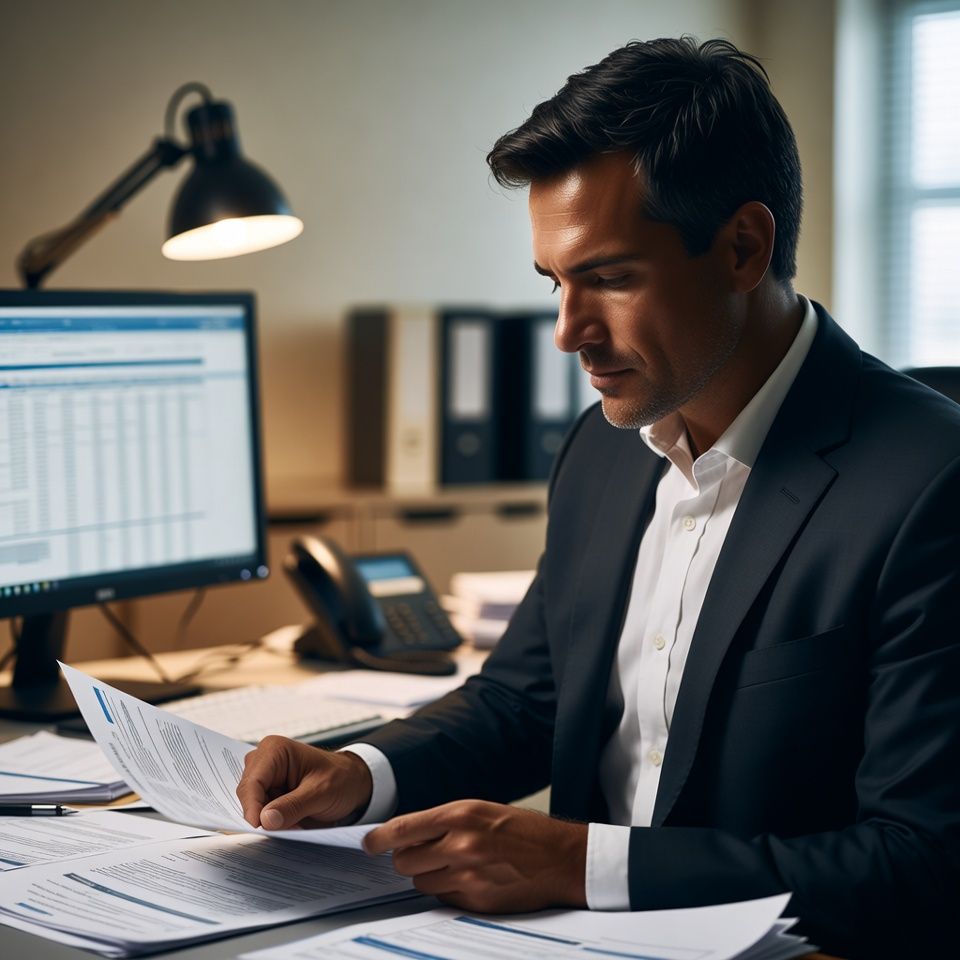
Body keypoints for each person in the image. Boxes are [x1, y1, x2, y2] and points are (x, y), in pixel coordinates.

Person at [237, 37, 960, 957]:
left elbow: (922, 864)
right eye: (555, 283)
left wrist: (586, 866)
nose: (568, 333)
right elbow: (528, 700)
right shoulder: (605, 449)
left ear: (743, 247)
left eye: (611, 278)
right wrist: (363, 770)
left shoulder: (930, 484)